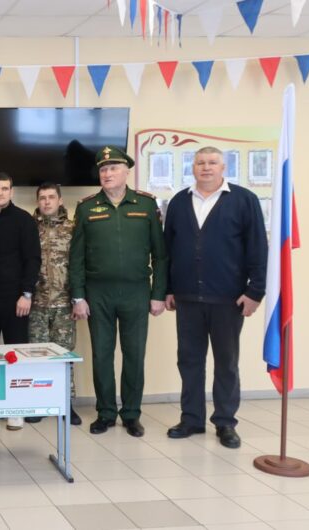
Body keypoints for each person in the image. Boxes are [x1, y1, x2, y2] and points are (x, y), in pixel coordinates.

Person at [164, 146, 267, 449]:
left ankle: (225, 422)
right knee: (190, 360)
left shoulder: (243, 200)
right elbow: (168, 249)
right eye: (200, 163)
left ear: (224, 167)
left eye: (212, 163)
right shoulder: (179, 202)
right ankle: (192, 418)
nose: (206, 167)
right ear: (192, 168)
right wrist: (168, 288)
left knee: (226, 362)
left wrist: (254, 291)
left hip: (229, 298)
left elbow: (258, 248)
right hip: (187, 298)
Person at [69, 146, 168, 438]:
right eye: (103, 169)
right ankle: (106, 413)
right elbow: (77, 257)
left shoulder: (146, 205)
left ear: (127, 171)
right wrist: (78, 296)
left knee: (134, 354)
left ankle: (132, 414)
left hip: (137, 292)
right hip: (98, 293)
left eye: (113, 168)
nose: (107, 173)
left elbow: (160, 255)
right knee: (101, 355)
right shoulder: (87, 208)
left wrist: (158, 293)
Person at [0, 172, 41, 431]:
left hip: (16, 300)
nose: (0, 193)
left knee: (15, 355)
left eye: (4, 189)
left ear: (11, 191)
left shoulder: (24, 220)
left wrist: (26, 294)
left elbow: (33, 259)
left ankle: (16, 409)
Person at [29, 183, 82, 426]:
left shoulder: (73, 228)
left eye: (51, 197)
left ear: (60, 200)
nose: (47, 202)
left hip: (64, 303)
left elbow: (80, 264)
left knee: (64, 357)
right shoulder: (29, 228)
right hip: (36, 303)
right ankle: (39, 402)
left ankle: (66, 405)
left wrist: (78, 298)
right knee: (37, 356)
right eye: (42, 198)